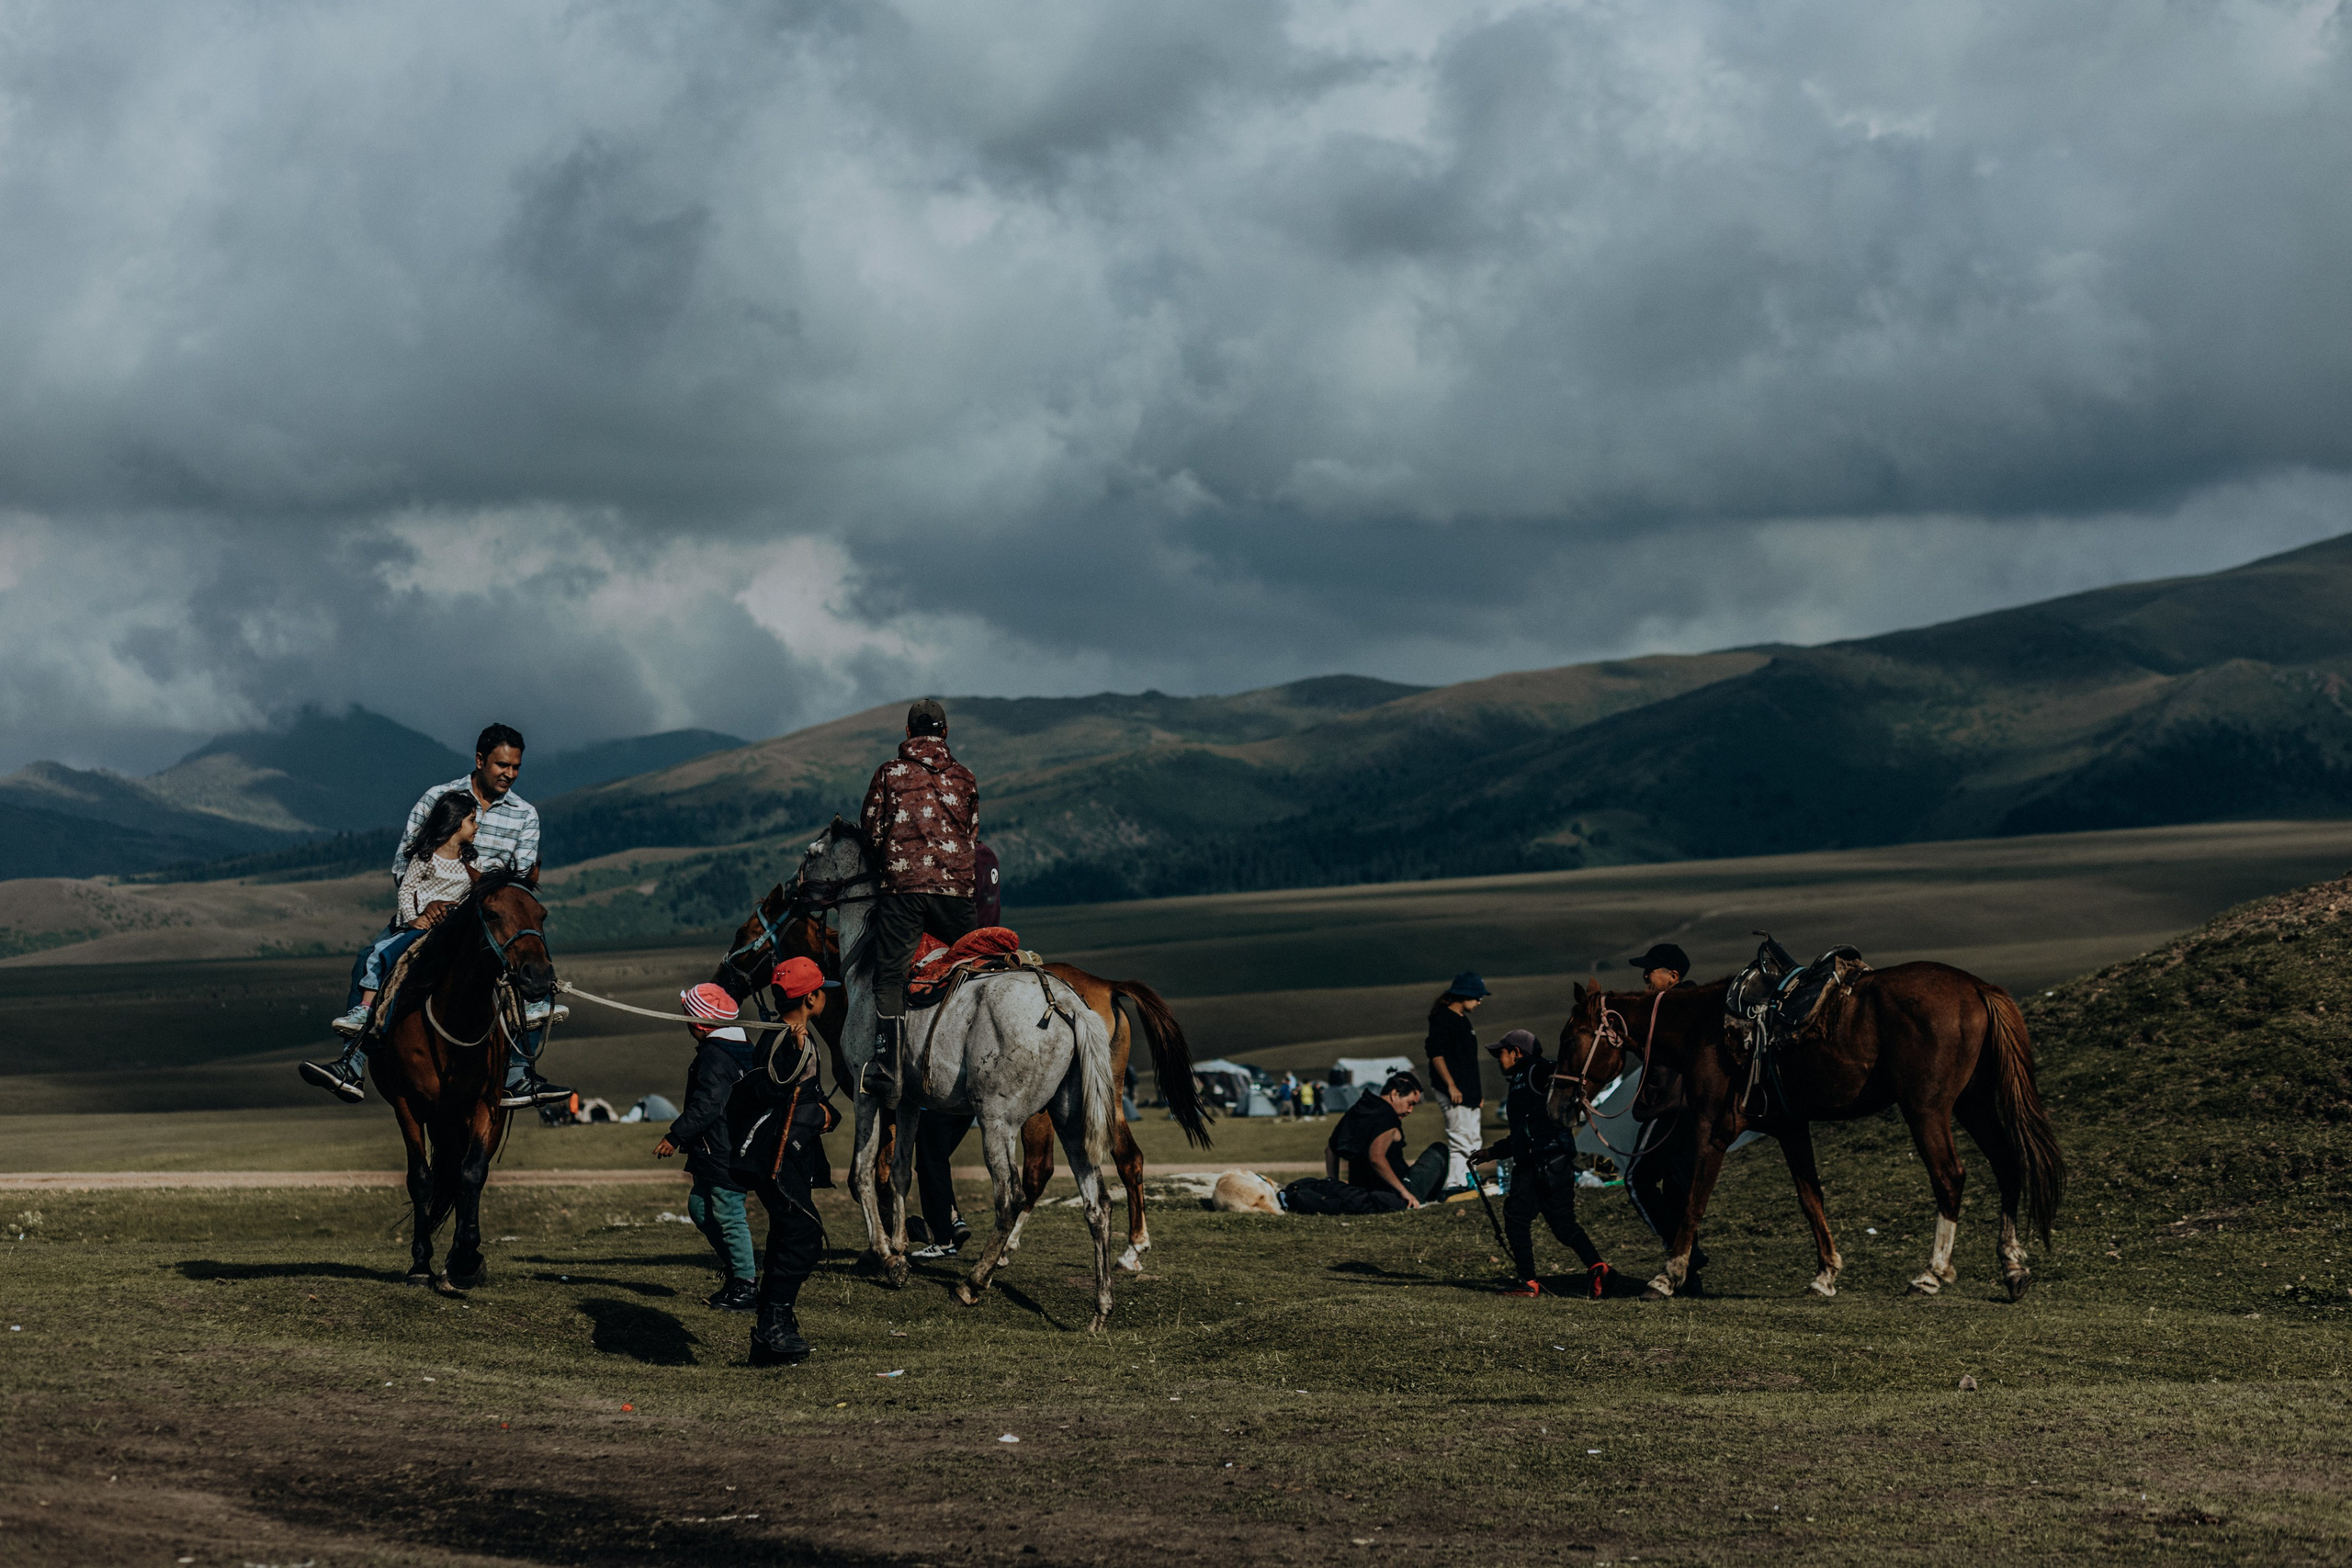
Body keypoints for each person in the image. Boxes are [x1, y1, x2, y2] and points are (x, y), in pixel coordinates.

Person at [297, 789, 481, 1101]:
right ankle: (361, 1024)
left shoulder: (470, 862)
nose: (477, 827)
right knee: (379, 955)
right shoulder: (425, 857)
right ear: (454, 822)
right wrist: (414, 919)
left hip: (453, 930)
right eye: (472, 821)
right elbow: (407, 890)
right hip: (421, 925)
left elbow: (472, 895)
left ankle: (517, 1064)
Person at [860, 698, 979, 1106]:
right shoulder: (965, 777)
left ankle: (889, 1070)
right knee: (977, 969)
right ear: (945, 733)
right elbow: (972, 834)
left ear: (908, 732)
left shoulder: (889, 773)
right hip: (957, 894)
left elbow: (872, 833)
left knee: (890, 977)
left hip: (904, 893)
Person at [724, 955, 842, 1366]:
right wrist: (821, 1113)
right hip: (779, 1157)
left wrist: (826, 1112)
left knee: (788, 1234)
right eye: (822, 992)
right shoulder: (789, 1044)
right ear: (810, 999)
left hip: (789, 1155)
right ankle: (773, 1326)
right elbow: (781, 1098)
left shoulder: (786, 1037)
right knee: (802, 1235)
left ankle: (773, 1331)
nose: (824, 997)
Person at [1471, 1029, 1611, 1299]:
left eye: (1501, 1053)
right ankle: (1599, 1268)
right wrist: (1492, 1152)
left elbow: (1564, 1076)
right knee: (1563, 1224)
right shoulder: (1527, 1077)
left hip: (1537, 1162)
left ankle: (1528, 1282)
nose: (1498, 1059)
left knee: (1516, 1217)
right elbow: (1523, 1133)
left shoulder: (1535, 1071)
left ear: (1516, 1052)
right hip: (1558, 1161)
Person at [654, 982, 761, 1311]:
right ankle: (737, 1269)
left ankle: (746, 1284)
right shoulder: (740, 1048)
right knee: (700, 1207)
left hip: (723, 1150)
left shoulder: (715, 1057)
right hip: (715, 1148)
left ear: (700, 1024)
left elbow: (708, 1106)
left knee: (729, 1213)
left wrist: (675, 1136)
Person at [1619, 942, 1709, 1288]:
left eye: (1650, 970)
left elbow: (1666, 1058)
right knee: (1677, 1191)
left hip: (1668, 1106)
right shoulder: (1696, 1005)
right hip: (1696, 1111)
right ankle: (1690, 1281)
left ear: (1672, 976)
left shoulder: (1672, 1008)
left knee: (1636, 1179)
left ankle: (1684, 1252)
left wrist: (1633, 1043)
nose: (1644, 976)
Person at [1323, 1070, 1449, 1212]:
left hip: (1361, 1191)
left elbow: (1330, 1150)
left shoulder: (1358, 1109)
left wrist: (1334, 1183)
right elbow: (1376, 1158)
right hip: (1395, 1193)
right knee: (1440, 1149)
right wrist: (1404, 1192)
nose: (1410, 1110)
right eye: (1410, 1103)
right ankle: (1424, 1198)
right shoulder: (1387, 1116)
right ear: (1394, 1094)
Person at [1424, 971, 1489, 1193]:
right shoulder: (1443, 1018)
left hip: (1469, 1092)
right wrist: (1451, 1085)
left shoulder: (1463, 1020)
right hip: (1453, 1091)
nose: (1479, 1001)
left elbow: (1468, 1062)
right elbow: (1436, 1054)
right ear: (1464, 995)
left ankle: (1469, 1180)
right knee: (1460, 1138)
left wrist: (1477, 1094)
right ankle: (1454, 1185)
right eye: (1477, 996)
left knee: (1473, 1138)